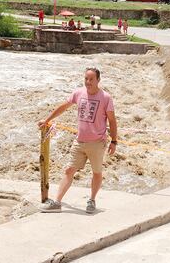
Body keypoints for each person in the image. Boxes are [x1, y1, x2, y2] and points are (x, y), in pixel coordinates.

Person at [38, 68, 118, 214]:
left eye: (91, 79)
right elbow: (63, 107)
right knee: (69, 170)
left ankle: (92, 200)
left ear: (98, 80)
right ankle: (57, 203)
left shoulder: (106, 97)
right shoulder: (78, 93)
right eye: (86, 79)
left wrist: (114, 141)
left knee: (96, 172)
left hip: (97, 143)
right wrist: (48, 119)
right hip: (79, 141)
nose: (88, 82)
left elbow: (112, 121)